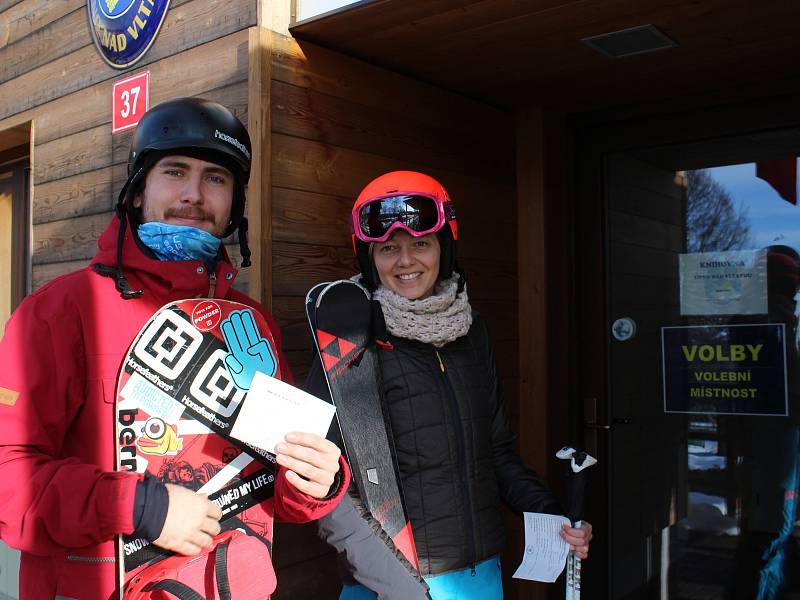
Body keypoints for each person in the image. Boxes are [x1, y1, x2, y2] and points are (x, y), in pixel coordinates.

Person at [0, 97, 349, 599]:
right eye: (175, 171)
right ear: (138, 190)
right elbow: (10, 477)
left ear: (233, 203)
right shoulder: (62, 311)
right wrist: (139, 508)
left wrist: (316, 481)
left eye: (216, 178)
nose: (194, 194)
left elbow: (277, 488)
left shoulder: (251, 325)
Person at [307, 171, 592, 599]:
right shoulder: (346, 337)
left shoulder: (472, 332)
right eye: (388, 248)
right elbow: (323, 480)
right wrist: (391, 582)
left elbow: (495, 451)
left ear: (444, 246)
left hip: (478, 577)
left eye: (420, 243)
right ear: (368, 257)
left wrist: (553, 516)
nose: (405, 261)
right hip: (392, 582)